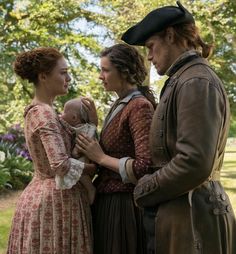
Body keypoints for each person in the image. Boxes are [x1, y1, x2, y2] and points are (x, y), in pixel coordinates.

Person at [121, 1, 236, 254]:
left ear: (171, 35)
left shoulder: (195, 80)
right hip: (183, 216)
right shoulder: (184, 78)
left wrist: (144, 188)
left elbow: (194, 162)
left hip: (193, 219)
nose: (149, 56)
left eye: (151, 46)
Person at [7, 47, 94, 253]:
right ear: (43, 76)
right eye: (63, 72)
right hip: (54, 201)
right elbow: (60, 165)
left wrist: (91, 126)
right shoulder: (43, 113)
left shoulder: (47, 111)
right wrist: (92, 169)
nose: (69, 78)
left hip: (54, 195)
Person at [77, 43, 156, 254]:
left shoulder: (139, 106)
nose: (100, 76)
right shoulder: (120, 104)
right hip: (110, 202)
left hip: (124, 207)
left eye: (105, 70)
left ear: (123, 71)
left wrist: (101, 159)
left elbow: (145, 166)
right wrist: (93, 124)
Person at [56, 97, 97, 204]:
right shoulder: (79, 127)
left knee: (83, 176)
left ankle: (91, 189)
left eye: (64, 112)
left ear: (74, 117)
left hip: (82, 159)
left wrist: (75, 152)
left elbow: (85, 140)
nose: (61, 114)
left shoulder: (82, 129)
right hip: (83, 159)